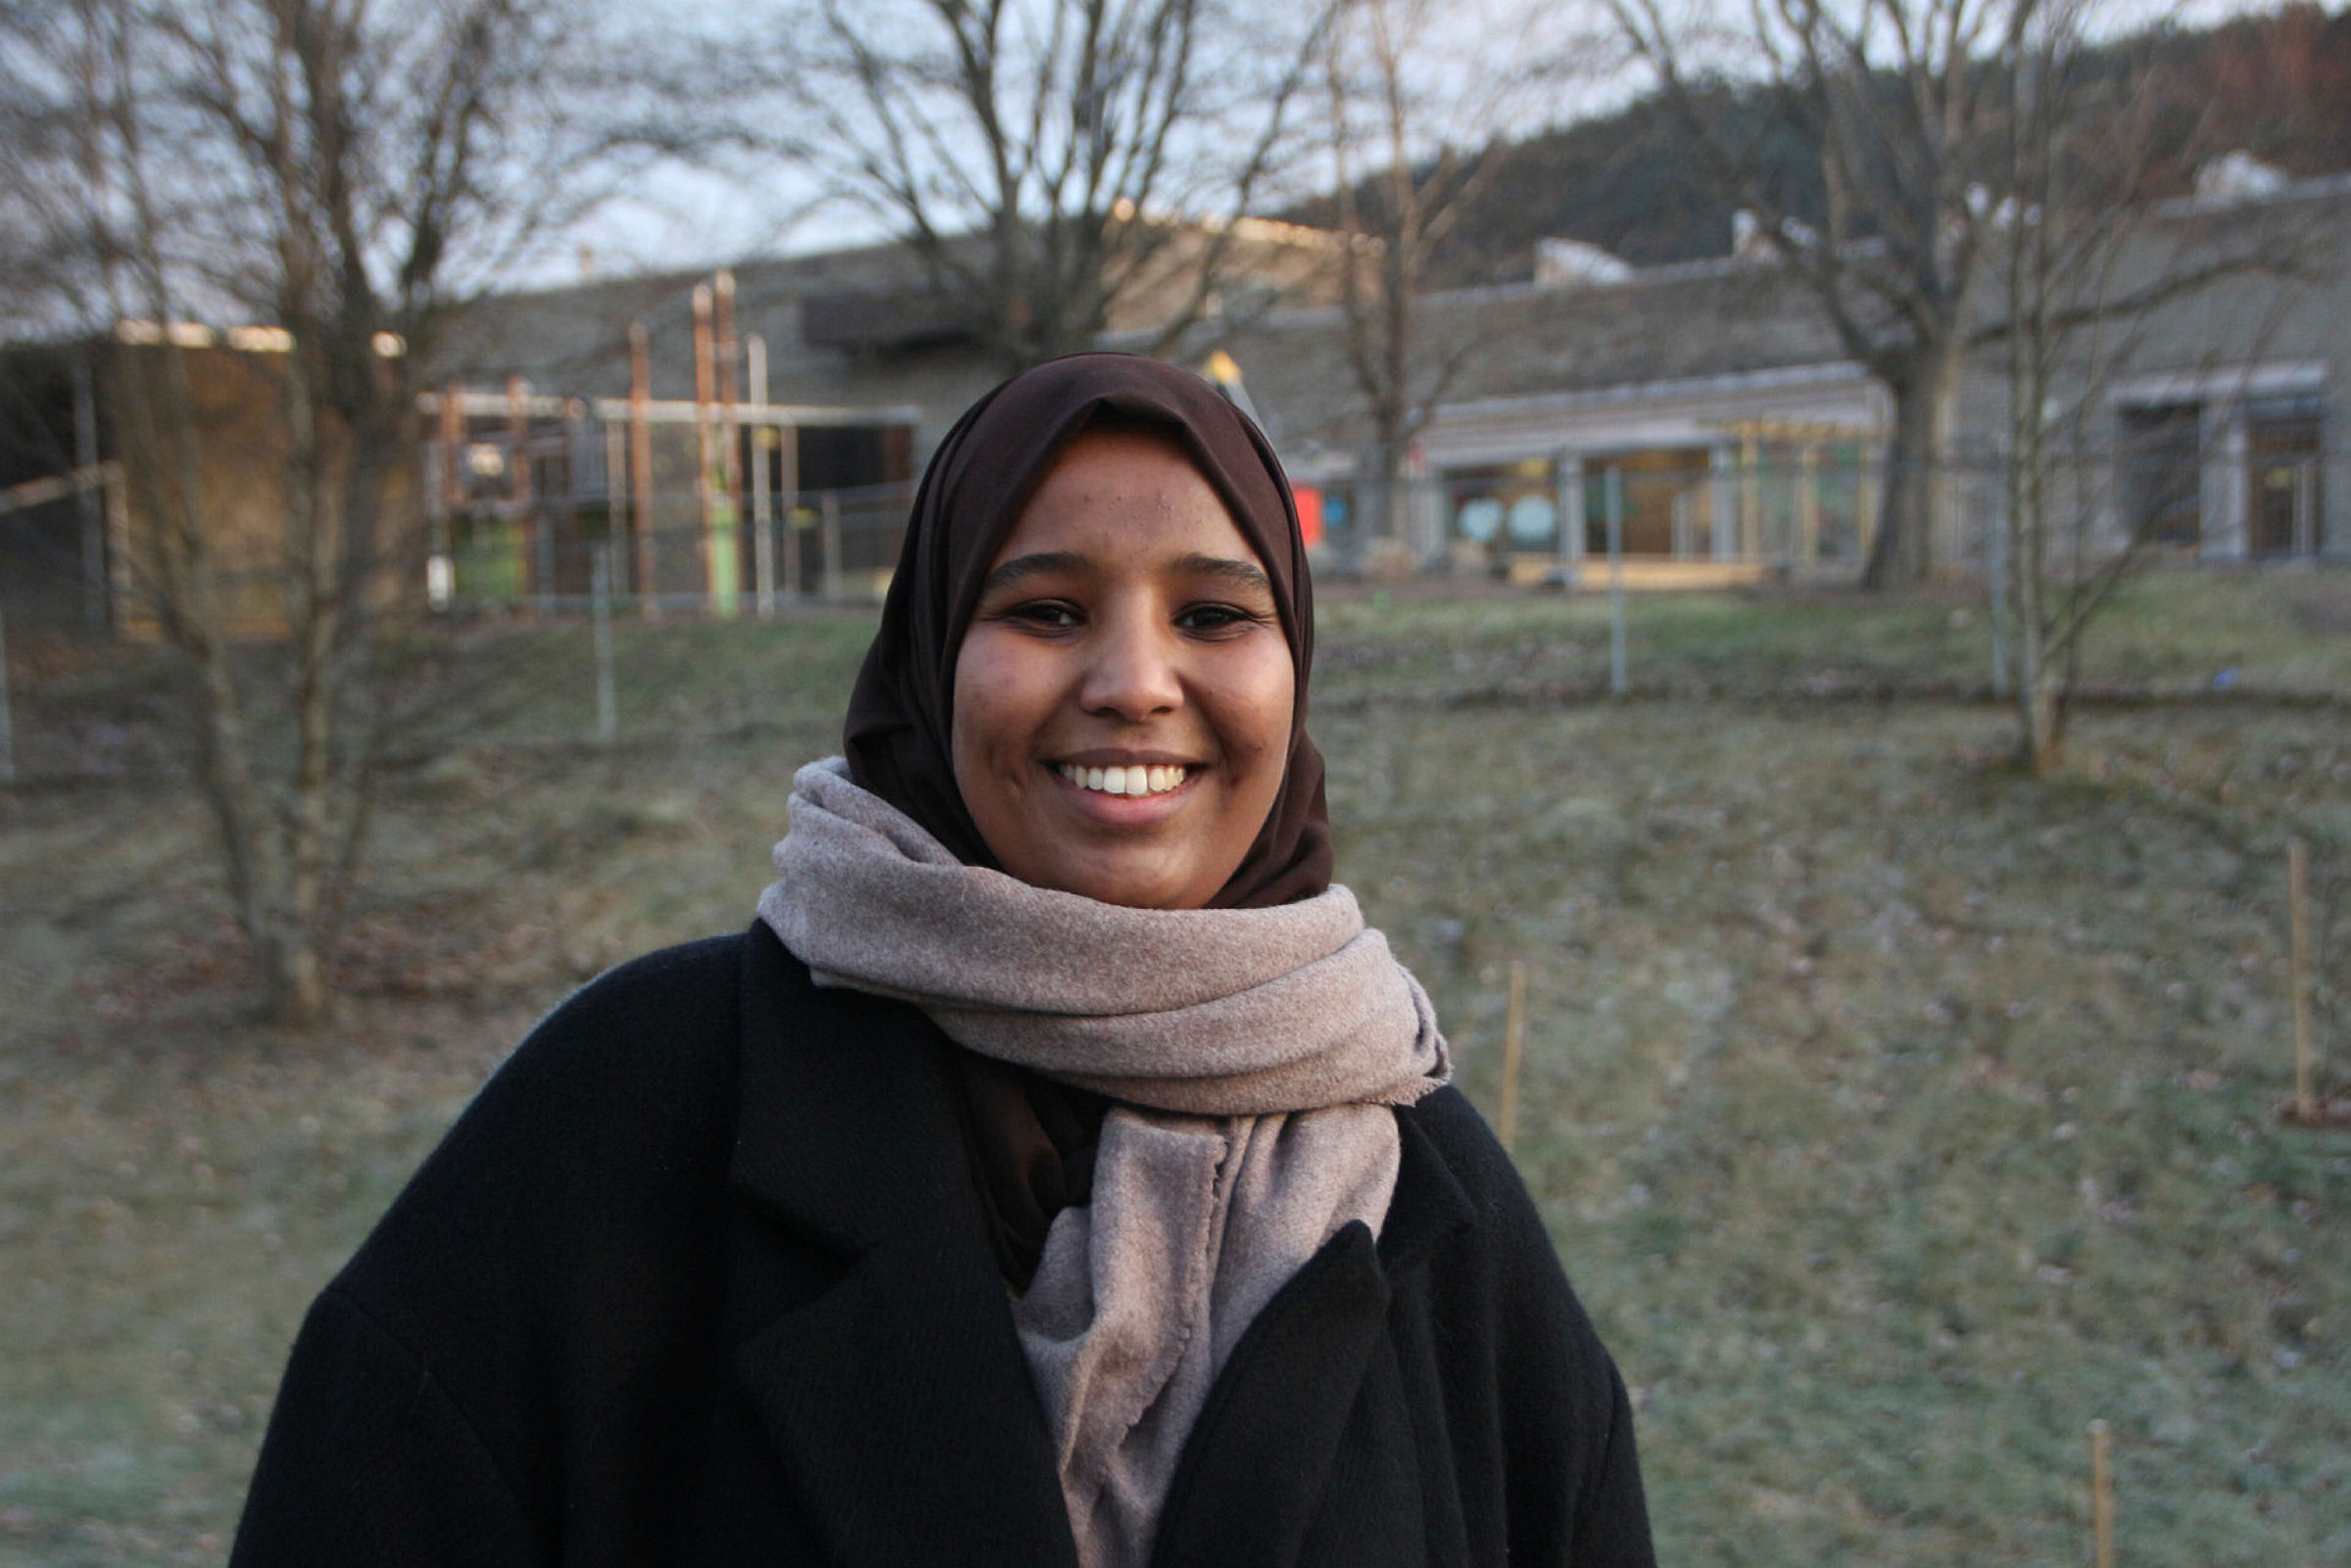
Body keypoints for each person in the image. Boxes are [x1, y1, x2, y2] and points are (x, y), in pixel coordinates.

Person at [229, 354, 1654, 1567]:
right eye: (1046, 610)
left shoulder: (1433, 1191)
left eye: (1216, 615)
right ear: (928, 654)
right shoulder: (625, 1113)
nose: (1134, 682)